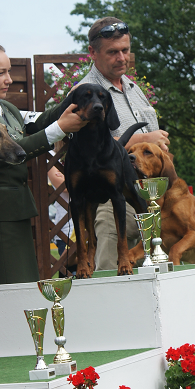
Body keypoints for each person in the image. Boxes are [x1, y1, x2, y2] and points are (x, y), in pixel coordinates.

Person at [0, 42, 86, 296]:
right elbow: (13, 150)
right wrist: (60, 128)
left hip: (14, 209)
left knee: (24, 290)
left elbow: (37, 122)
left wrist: (70, 101)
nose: (9, 79)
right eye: (1, 73)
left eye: (9, 71)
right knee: (9, 294)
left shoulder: (6, 108)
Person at [78, 17, 170, 270]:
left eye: (125, 50)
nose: (122, 58)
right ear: (93, 52)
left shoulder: (133, 88)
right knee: (112, 280)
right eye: (112, 52)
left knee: (155, 276)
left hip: (146, 198)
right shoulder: (85, 93)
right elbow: (91, 149)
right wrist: (145, 139)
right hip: (112, 202)